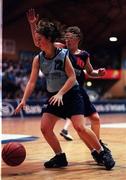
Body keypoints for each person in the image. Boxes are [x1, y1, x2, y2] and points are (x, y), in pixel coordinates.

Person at [24, 10, 115, 169]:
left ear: (77, 39)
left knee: (84, 124)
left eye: (70, 37)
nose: (67, 40)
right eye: (66, 37)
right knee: (46, 128)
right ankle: (60, 157)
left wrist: (97, 73)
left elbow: (82, 73)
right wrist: (32, 24)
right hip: (56, 94)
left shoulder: (74, 54)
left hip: (73, 92)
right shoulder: (52, 50)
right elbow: (39, 41)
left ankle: (100, 151)